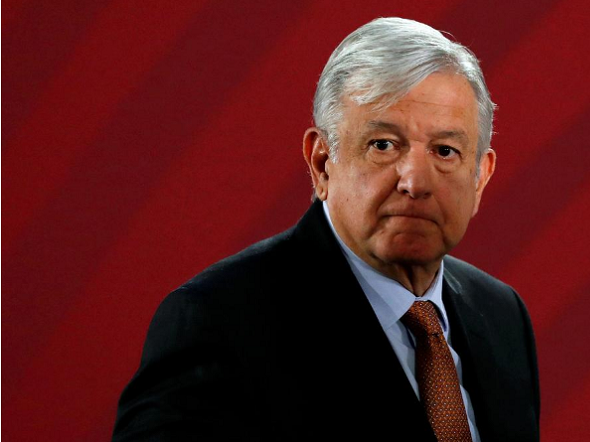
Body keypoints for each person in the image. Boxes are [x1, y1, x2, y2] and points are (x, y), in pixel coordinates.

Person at [112, 17, 539, 442]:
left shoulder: (502, 316)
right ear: (321, 163)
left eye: (445, 151)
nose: (415, 182)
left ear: (480, 177)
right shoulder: (219, 321)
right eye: (383, 145)